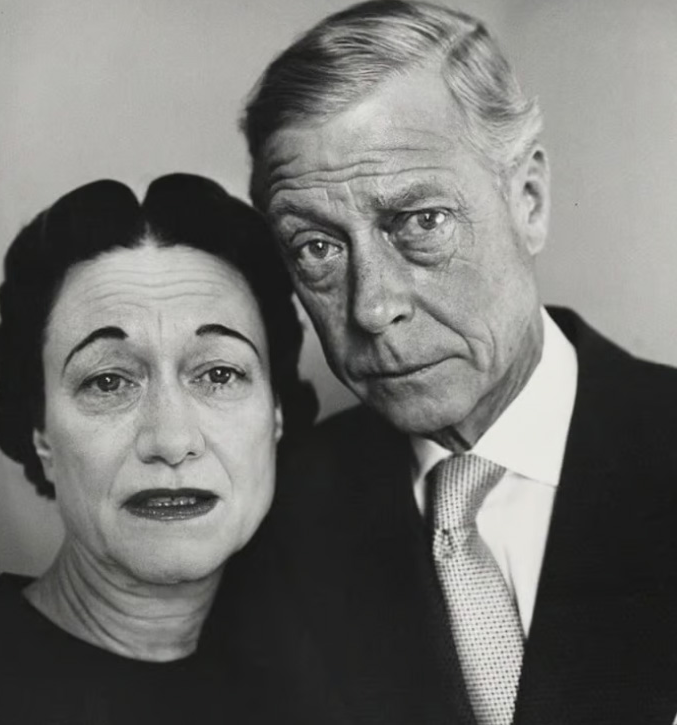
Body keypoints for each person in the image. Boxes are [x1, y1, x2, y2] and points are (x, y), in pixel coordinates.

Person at [237, 1, 677, 723]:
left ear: (528, 200)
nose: (371, 307)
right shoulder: (272, 521)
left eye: (421, 222)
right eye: (317, 247)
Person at [0, 174, 318, 724]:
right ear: (39, 432)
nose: (173, 441)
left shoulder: (333, 672)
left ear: (275, 412)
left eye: (220, 373)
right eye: (108, 382)